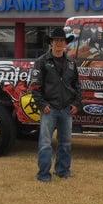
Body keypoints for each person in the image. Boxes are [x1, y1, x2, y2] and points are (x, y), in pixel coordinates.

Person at [32, 27, 82, 182]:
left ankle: (62, 171)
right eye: (56, 41)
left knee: (65, 143)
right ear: (51, 43)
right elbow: (34, 87)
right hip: (49, 109)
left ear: (65, 43)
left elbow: (77, 86)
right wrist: (42, 105)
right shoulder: (42, 62)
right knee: (45, 144)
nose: (59, 43)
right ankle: (43, 175)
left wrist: (76, 103)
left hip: (66, 109)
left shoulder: (72, 63)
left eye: (62, 40)